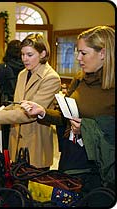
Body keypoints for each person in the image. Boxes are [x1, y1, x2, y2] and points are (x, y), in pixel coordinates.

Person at [21, 26, 115, 193]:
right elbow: (65, 117)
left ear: (103, 53)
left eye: (83, 53)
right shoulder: (79, 79)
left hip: (100, 170)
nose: (78, 58)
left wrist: (85, 128)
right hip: (71, 159)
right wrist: (42, 111)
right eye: (77, 52)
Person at [0, 34, 61, 169]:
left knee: (33, 188)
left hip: (35, 143)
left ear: (43, 53)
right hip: (16, 143)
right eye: (22, 54)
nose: (24, 59)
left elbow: (29, 113)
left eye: (29, 54)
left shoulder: (51, 78)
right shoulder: (23, 74)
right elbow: (18, 105)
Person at [0, 39, 25, 150]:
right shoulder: (27, 69)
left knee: (5, 139)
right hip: (23, 105)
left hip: (5, 105)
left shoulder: (2, 68)